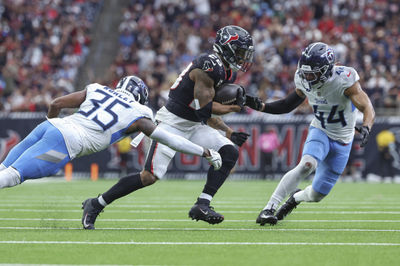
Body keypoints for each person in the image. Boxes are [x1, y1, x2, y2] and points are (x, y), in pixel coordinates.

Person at [81, 25, 254, 229]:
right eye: (241, 52)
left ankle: (202, 204)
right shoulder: (209, 65)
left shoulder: (223, 71)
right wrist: (233, 108)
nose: (244, 58)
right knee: (149, 177)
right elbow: (203, 109)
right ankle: (95, 204)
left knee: (229, 152)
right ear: (228, 48)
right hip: (171, 123)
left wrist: (228, 131)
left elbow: (202, 111)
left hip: (194, 124)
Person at [0, 76, 222, 190]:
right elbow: (170, 139)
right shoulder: (139, 112)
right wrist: (203, 151)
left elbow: (56, 103)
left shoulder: (98, 89)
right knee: (13, 176)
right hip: (66, 142)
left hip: (49, 127)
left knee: (3, 168)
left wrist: (51, 126)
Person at [245, 42, 375, 225]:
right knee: (307, 164)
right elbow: (287, 104)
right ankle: (269, 208)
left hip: (343, 140)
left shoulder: (344, 79)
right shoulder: (302, 79)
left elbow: (367, 106)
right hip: (320, 130)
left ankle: (295, 198)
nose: (307, 76)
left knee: (316, 195)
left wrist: (367, 126)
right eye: (305, 71)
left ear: (327, 70)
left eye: (312, 73)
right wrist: (261, 106)